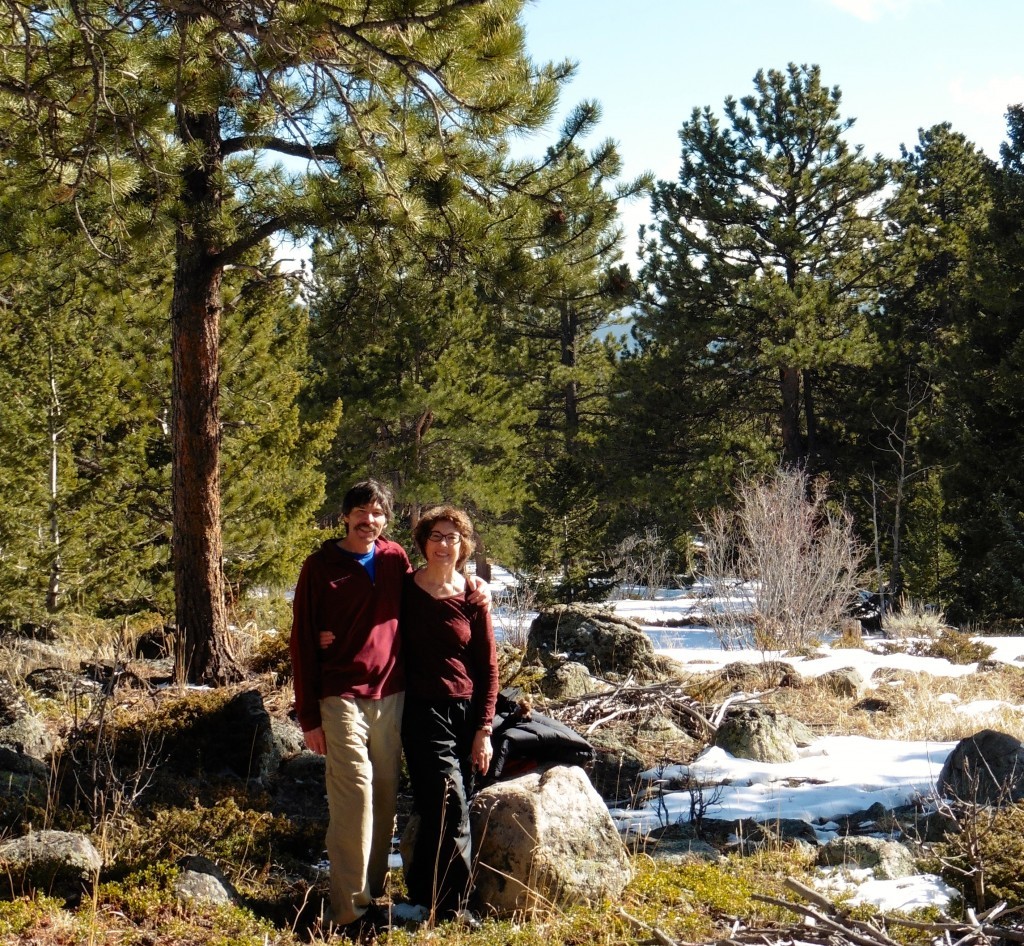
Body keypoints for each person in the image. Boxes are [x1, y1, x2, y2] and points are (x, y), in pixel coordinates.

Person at [289, 481, 489, 934]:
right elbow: (302, 641)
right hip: (341, 696)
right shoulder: (320, 567)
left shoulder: (393, 558)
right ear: (345, 516)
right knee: (355, 796)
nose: (369, 520)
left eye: (377, 513)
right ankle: (347, 912)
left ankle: (373, 895)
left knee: (383, 801)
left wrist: (476, 585)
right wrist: (308, 717)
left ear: (386, 520)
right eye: (360, 511)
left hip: (393, 696)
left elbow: (436, 584)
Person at [399, 505, 498, 922]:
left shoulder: (473, 595)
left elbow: (489, 666)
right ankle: (454, 908)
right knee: (449, 802)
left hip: (466, 710)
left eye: (452, 538)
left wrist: (484, 728)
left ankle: (424, 898)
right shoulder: (403, 588)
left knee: (441, 804)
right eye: (437, 536)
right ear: (423, 542)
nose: (444, 544)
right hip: (420, 711)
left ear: (463, 546)